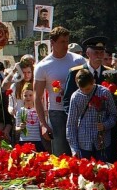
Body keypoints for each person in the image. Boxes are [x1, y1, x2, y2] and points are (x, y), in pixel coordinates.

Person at [33, 26, 85, 156]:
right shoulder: (43, 66)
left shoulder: (78, 60)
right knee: (61, 154)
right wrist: (43, 124)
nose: (66, 45)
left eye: (67, 41)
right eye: (62, 42)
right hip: (57, 113)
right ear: (52, 43)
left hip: (80, 110)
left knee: (81, 152)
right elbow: (37, 97)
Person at [66, 69, 117, 161]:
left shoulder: (104, 92)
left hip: (103, 143)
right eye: (82, 89)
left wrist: (105, 125)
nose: (85, 92)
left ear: (93, 81)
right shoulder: (75, 97)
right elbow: (71, 124)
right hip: (84, 144)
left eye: (88, 89)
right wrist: (74, 148)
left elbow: (114, 115)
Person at [63, 36, 114, 113]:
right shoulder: (75, 72)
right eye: (96, 53)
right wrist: (75, 118)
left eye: (101, 53)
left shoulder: (110, 73)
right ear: (88, 54)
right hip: (82, 120)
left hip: (104, 121)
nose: (99, 56)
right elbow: (67, 99)